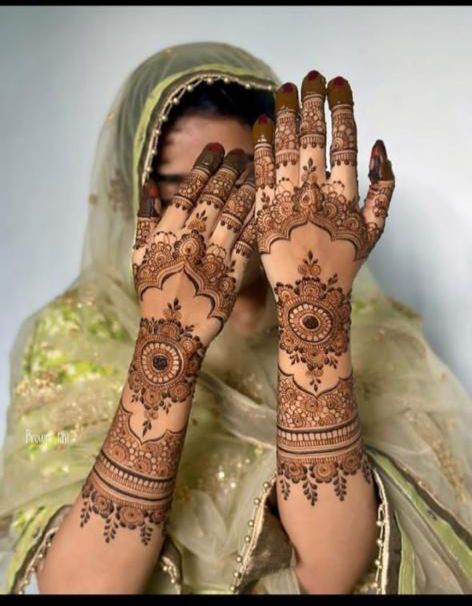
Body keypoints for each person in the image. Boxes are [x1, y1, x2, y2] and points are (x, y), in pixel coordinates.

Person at [0, 41, 471, 595]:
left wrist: (309, 310)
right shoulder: (80, 333)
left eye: (247, 178)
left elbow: (334, 572)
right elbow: (81, 588)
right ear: (143, 198)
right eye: (196, 186)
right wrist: (168, 348)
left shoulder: (364, 323)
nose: (227, 210)